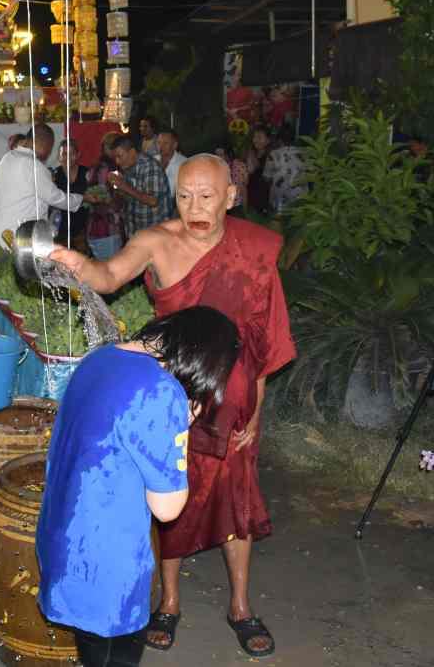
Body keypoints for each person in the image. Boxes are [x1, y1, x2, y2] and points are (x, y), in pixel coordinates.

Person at [50, 155, 295, 658]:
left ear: (231, 196)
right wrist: (79, 266)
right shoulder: (157, 241)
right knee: (165, 498)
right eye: (184, 196)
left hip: (234, 397)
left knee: (238, 500)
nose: (195, 207)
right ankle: (168, 601)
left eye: (207, 196)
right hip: (171, 397)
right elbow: (108, 275)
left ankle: (241, 605)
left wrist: (256, 410)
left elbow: (264, 339)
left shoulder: (255, 248)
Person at [37, 307, 242, 667]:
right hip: (107, 558)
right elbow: (168, 508)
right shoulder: (161, 391)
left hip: (63, 535)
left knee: (91, 647)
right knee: (117, 654)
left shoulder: (99, 358)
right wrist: (181, 426)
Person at [0, 125, 83, 249]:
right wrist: (82, 199)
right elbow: (55, 197)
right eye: (49, 147)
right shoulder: (34, 165)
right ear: (43, 143)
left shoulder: (8, 157)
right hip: (13, 235)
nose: (48, 153)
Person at [108, 135, 170, 238]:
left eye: (120, 156)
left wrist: (123, 185)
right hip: (135, 231)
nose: (117, 161)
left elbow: (153, 201)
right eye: (115, 158)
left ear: (132, 152)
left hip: (153, 233)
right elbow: (130, 196)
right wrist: (116, 186)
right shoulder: (128, 166)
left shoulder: (150, 167)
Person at [87, 133, 123, 262]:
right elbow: (114, 198)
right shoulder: (113, 169)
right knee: (111, 266)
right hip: (109, 225)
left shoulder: (94, 166)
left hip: (93, 225)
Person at [50, 139, 89, 245]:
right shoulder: (53, 175)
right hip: (60, 229)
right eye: (64, 154)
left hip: (83, 230)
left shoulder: (87, 173)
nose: (68, 157)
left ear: (78, 155)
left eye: (72, 154)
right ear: (59, 156)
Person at [156, 128, 186, 202]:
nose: (160, 147)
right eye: (159, 142)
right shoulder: (152, 160)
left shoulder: (184, 164)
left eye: (165, 143)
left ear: (175, 145)